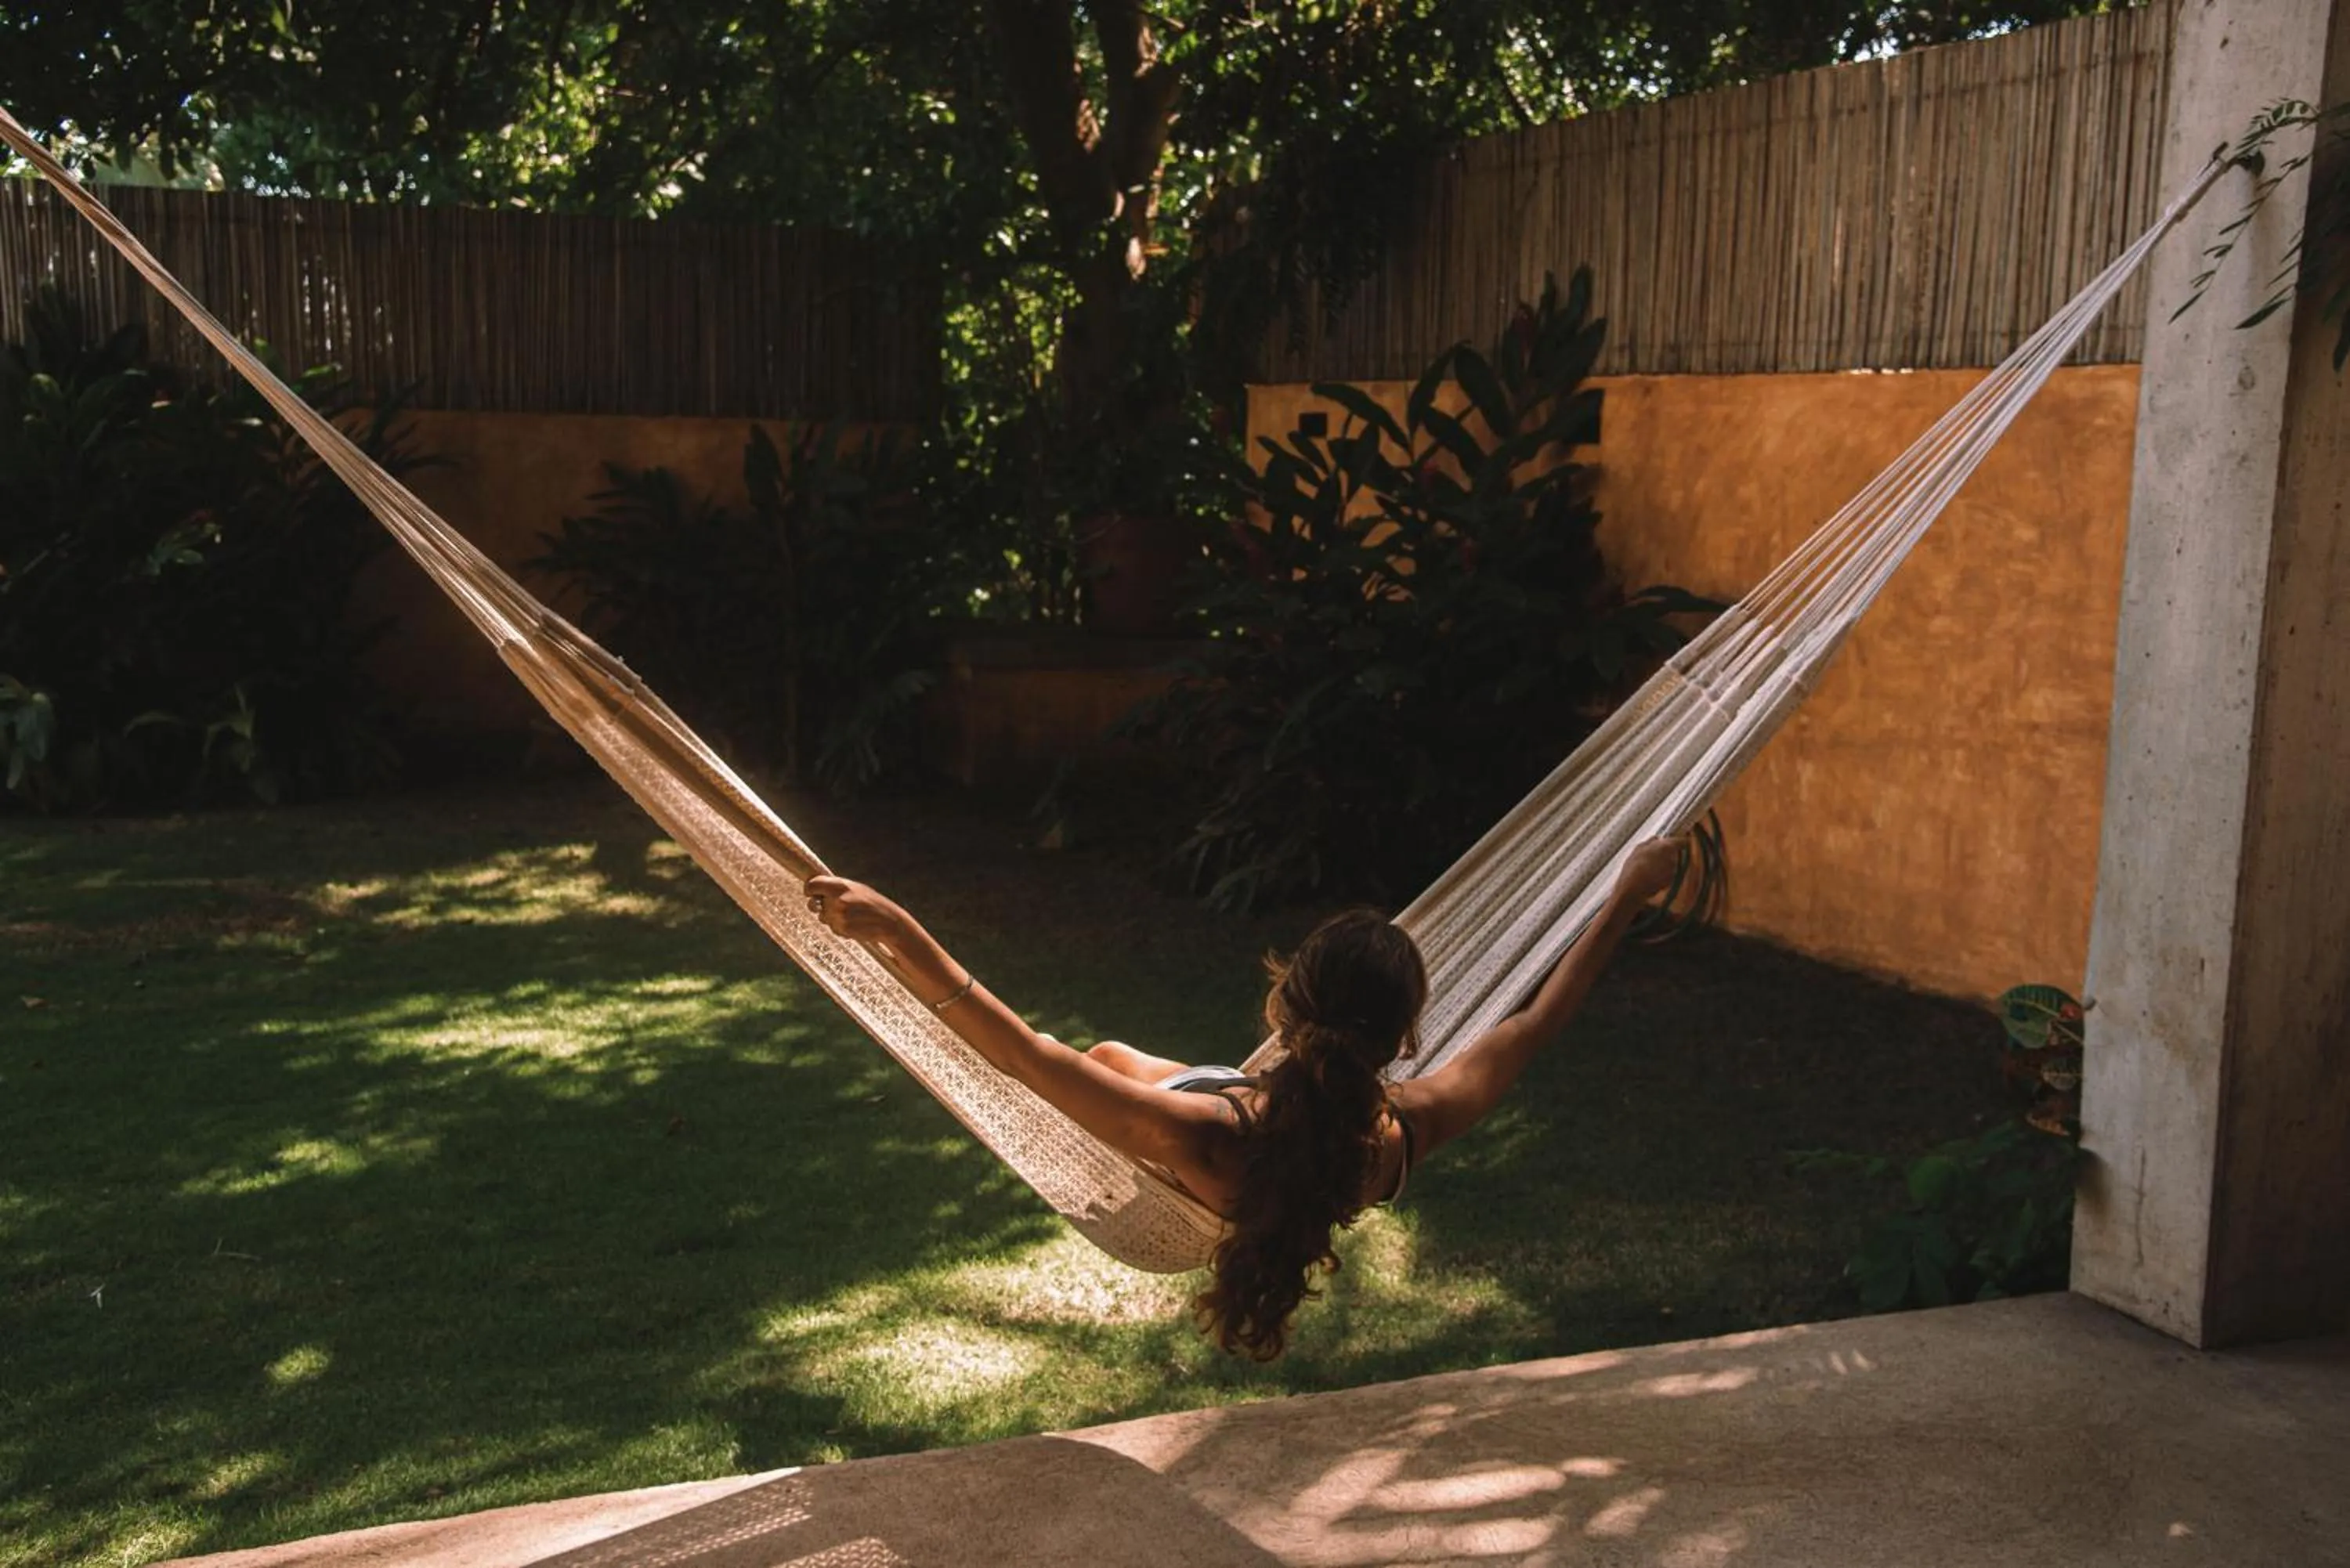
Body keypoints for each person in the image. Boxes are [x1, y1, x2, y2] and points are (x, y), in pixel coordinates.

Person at [803, 834, 1686, 1360]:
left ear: (1287, 1004)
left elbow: (1023, 1054)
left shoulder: (1200, 1130)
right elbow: (1530, 1027)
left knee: (1099, 1055)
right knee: (1111, 1054)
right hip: (1275, 1138)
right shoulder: (1399, 1135)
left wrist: (895, 926)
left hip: (1213, 1135)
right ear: (1407, 1037)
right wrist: (1622, 900)